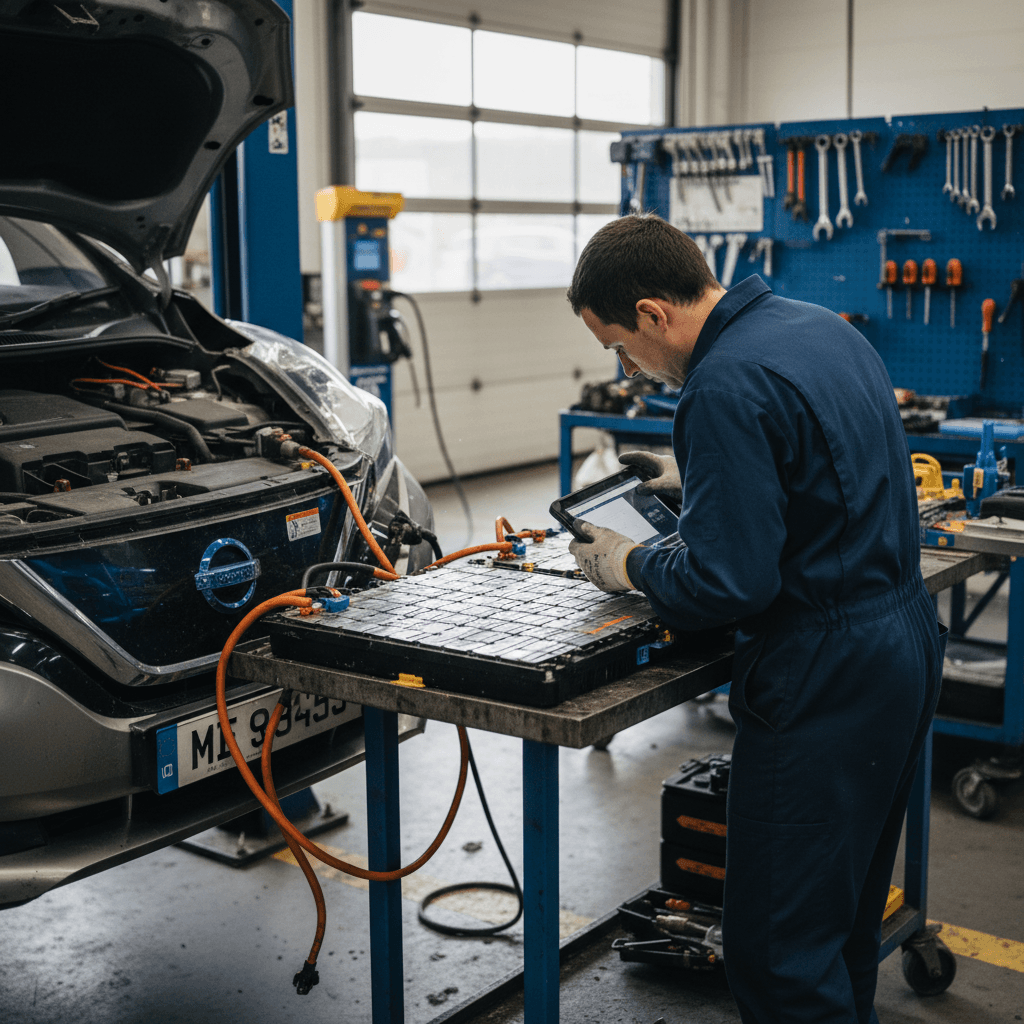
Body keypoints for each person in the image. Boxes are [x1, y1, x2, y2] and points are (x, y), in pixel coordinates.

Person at [565, 213, 945, 1024]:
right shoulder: (817, 328)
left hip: (824, 671)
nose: (628, 369)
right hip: (901, 641)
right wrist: (701, 480)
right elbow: (815, 461)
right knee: (841, 922)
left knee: (777, 954)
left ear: (653, 314)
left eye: (620, 347)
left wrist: (626, 561)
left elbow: (726, 583)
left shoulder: (722, 384)